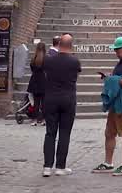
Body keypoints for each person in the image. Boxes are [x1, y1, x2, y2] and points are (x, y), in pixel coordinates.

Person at [92, 37, 122, 176]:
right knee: (109, 133)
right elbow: (118, 77)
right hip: (116, 101)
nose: (116, 53)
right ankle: (108, 163)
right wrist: (109, 76)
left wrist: (111, 79)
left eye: (117, 50)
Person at [42, 33, 81, 177]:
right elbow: (76, 76)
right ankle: (60, 166)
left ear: (58, 45)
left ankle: (47, 167)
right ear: (71, 46)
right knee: (64, 133)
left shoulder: (48, 60)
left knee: (50, 133)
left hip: (50, 99)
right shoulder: (74, 62)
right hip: (68, 99)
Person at [28, 41, 47, 126]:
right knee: (44, 103)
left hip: (35, 81)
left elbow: (32, 69)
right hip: (44, 81)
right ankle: (43, 119)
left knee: (36, 102)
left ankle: (34, 120)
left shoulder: (33, 59)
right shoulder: (46, 59)